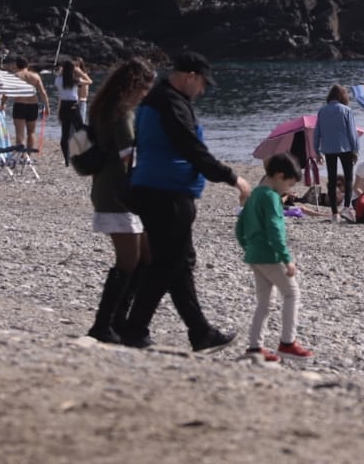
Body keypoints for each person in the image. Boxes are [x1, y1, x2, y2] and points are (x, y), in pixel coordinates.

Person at [121, 52, 251, 352]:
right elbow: (191, 147)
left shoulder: (157, 100)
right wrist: (233, 178)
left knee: (179, 262)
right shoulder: (170, 103)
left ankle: (198, 333)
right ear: (190, 76)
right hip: (166, 193)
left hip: (156, 189)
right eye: (202, 83)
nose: (203, 91)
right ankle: (135, 328)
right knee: (168, 264)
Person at [84, 58, 157, 343]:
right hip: (120, 194)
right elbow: (131, 158)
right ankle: (105, 324)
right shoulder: (123, 114)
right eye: (144, 89)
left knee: (144, 257)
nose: (145, 95)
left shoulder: (103, 109)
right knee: (130, 261)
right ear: (133, 86)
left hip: (109, 190)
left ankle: (119, 321)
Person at [236, 153, 313, 361]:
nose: (288, 190)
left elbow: (239, 226)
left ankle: (255, 348)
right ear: (279, 176)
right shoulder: (271, 197)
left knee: (265, 303)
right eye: (288, 184)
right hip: (270, 255)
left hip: (254, 255)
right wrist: (286, 257)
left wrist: (248, 247)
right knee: (292, 293)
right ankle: (287, 343)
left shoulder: (253, 195)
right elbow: (275, 230)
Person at [313, 85, 360, 220]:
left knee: (332, 179)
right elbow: (352, 133)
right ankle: (346, 208)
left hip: (328, 149)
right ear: (342, 96)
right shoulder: (346, 110)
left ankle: (334, 213)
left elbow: (317, 133)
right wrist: (355, 149)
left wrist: (317, 151)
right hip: (345, 148)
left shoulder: (322, 111)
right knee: (348, 178)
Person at [55, 58, 92, 167]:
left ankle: (67, 159)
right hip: (73, 106)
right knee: (80, 129)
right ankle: (84, 155)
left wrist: (60, 72)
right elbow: (89, 81)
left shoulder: (58, 80)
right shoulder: (74, 80)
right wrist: (80, 72)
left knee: (65, 133)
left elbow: (59, 83)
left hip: (64, 107)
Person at [8, 58, 49, 155]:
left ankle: (21, 155)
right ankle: (28, 155)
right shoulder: (35, 76)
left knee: (20, 133)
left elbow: (7, 91)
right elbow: (42, 93)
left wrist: (2, 103)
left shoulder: (15, 76)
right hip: (33, 105)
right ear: (28, 65)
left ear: (17, 66)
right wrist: (47, 107)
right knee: (31, 132)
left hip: (19, 104)